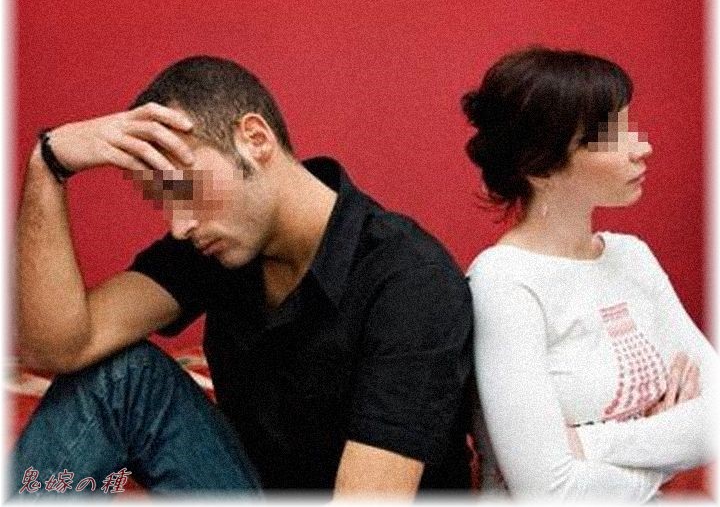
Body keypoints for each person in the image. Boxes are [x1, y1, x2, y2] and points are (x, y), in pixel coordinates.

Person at [11, 56, 474, 497]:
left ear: (255, 140)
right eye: (164, 203)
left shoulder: (412, 283)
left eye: (184, 189)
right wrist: (49, 164)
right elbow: (57, 347)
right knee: (121, 375)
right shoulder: (217, 244)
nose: (179, 226)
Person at [462, 47, 717, 501]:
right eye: (610, 136)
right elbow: (550, 492)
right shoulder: (504, 282)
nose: (642, 148)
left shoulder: (631, 256)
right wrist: (665, 463)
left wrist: (591, 442)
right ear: (540, 167)